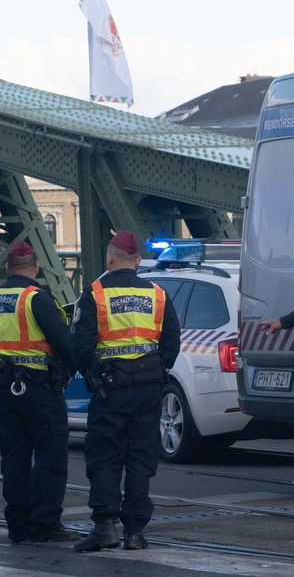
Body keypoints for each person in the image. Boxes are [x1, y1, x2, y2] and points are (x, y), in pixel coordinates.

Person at [71, 230, 181, 552]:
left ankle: (105, 527)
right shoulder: (158, 294)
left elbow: (80, 345)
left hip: (110, 390)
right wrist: (156, 373)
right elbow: (171, 341)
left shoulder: (94, 294)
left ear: (109, 258)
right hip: (148, 389)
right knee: (140, 456)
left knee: (106, 456)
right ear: (137, 262)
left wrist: (94, 376)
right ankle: (135, 532)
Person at [0, 240, 80, 544]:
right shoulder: (37, 299)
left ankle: (18, 525)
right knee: (50, 455)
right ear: (35, 268)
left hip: (2, 389)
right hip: (38, 389)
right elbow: (65, 343)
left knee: (14, 457)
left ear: (7, 268)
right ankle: (45, 524)